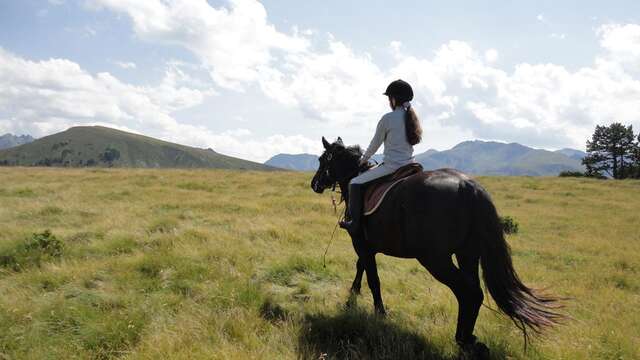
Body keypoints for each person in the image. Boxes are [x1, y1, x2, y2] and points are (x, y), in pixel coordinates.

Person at [339, 79, 422, 236]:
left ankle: (354, 223)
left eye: (389, 98)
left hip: (392, 166)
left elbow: (374, 144)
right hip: (411, 165)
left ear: (393, 99)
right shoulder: (411, 118)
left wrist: (362, 160)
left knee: (354, 182)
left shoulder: (388, 118)